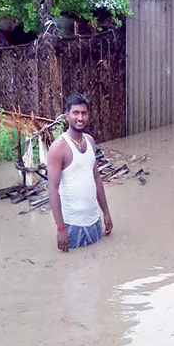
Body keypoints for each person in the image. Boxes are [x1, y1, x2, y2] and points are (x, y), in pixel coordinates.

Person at [47, 93, 113, 251]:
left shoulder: (90, 141)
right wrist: (61, 229)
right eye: (75, 113)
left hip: (94, 223)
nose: (80, 117)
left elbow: (96, 178)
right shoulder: (59, 148)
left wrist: (106, 213)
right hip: (73, 227)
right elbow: (52, 189)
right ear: (67, 115)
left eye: (84, 113)